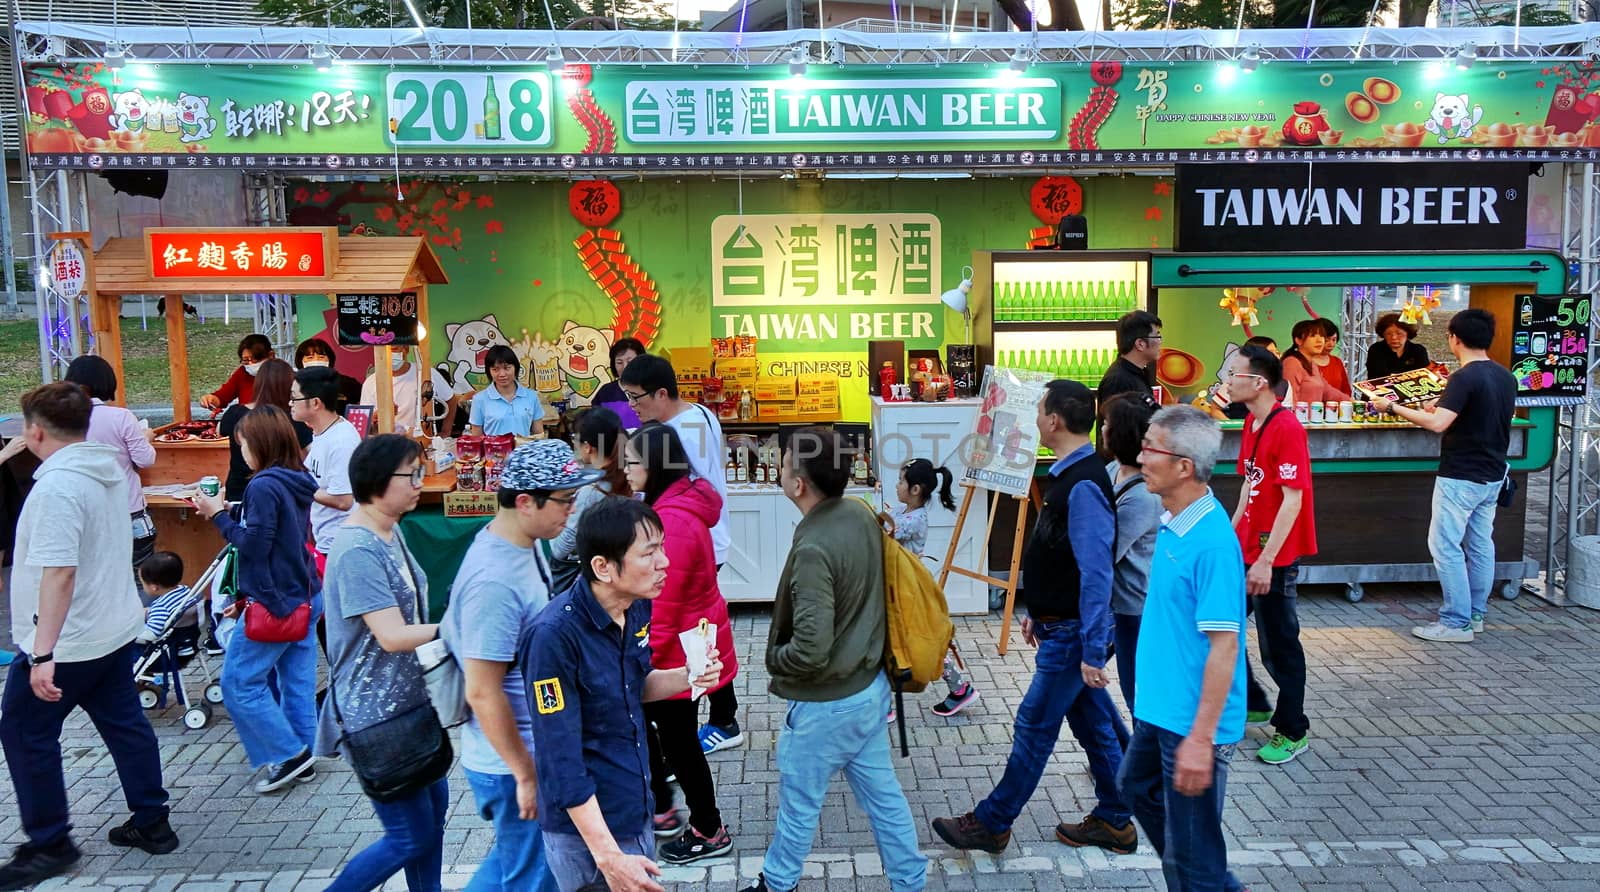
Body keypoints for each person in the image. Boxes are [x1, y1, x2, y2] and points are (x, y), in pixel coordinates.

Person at [933, 381, 1134, 858]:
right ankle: (1118, 816)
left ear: (1054, 421)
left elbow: (1095, 570)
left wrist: (1088, 647)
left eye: (1041, 410)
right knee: (1094, 725)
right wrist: (1034, 612)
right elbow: (1058, 554)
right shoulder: (1071, 473)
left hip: (1072, 634)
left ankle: (992, 822)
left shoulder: (1083, 482)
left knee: (1034, 726)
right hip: (1059, 625)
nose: (1036, 418)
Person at [0, 383, 178, 891]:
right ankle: (152, 820)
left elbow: (60, 572)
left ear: (34, 431)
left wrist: (43, 653)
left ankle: (49, 842)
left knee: (25, 733)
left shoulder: (57, 487)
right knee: (125, 725)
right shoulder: (105, 474)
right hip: (113, 626)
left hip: (68, 640)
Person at [739, 429, 926, 892]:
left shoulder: (813, 548)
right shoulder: (859, 514)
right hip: (868, 689)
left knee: (800, 804)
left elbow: (810, 648)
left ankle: (778, 884)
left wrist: (774, 660)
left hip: (828, 702)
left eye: (783, 463)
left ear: (797, 483)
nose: (779, 468)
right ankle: (910, 879)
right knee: (884, 798)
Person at [527, 497, 725, 892]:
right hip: (589, 836)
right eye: (649, 553)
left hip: (636, 810)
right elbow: (560, 759)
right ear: (603, 567)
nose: (664, 562)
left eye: (662, 548)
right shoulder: (553, 638)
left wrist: (687, 676)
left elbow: (633, 684)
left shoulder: (635, 607)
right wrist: (608, 856)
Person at [439, 439, 603, 892]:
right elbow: (481, 690)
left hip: (526, 752)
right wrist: (525, 773)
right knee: (532, 879)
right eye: (565, 501)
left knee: (510, 868)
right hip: (510, 761)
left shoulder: (526, 545)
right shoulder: (495, 581)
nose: (572, 510)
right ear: (526, 501)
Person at [1124, 406, 1248, 891]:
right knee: (1136, 789)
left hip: (1191, 723)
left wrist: (1201, 739)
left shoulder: (1211, 543)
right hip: (1161, 710)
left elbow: (1225, 647)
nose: (1140, 456)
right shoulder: (1176, 522)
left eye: (1150, 447)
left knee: (1191, 862)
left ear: (1183, 466)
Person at [319, 434, 448, 892]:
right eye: (410, 475)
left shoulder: (388, 533)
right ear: (377, 481)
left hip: (410, 705)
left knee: (431, 822)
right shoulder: (357, 548)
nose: (419, 483)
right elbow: (392, 635)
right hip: (375, 716)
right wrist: (458, 631)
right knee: (408, 836)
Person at [192, 405, 322, 795]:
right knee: (296, 682)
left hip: (278, 601)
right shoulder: (296, 477)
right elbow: (278, 534)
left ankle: (289, 754)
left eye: (243, 444)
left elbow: (255, 544)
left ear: (259, 444)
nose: (242, 452)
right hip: (304, 592)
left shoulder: (263, 485)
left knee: (239, 683)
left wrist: (219, 516)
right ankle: (305, 756)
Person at [623, 423, 738, 863]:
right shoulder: (677, 505)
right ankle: (667, 807)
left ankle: (706, 827)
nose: (627, 470)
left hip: (674, 652)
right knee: (672, 738)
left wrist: (645, 660)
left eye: (633, 462)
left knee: (678, 741)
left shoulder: (672, 521)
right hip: (684, 645)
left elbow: (665, 605)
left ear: (653, 465)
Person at [617, 355, 740, 754]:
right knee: (703, 620)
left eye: (636, 399)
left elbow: (660, 485)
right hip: (704, 532)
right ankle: (723, 714)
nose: (633, 407)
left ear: (663, 394)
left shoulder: (676, 434)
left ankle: (722, 717)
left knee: (693, 626)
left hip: (689, 536)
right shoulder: (699, 413)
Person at [1372, 308, 1516, 642]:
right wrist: (1431, 406)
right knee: (1480, 545)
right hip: (1493, 474)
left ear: (1455, 338)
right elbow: (1475, 414)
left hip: (1461, 474)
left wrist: (1390, 406)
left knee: (1446, 547)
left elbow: (1438, 424)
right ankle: (1475, 614)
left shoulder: (1464, 377)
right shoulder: (1504, 376)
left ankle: (1455, 622)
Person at [1225, 345, 1316, 766]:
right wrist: (1230, 534)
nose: (1228, 380)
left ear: (1257, 381)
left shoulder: (1287, 428)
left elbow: (1292, 501)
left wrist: (1265, 559)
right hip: (1246, 548)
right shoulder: (1251, 423)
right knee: (1223, 624)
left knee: (1278, 644)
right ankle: (1254, 701)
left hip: (1273, 556)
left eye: (1234, 373)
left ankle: (1293, 729)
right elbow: (1249, 484)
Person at [879, 458, 980, 717]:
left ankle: (884, 705)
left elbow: (881, 531)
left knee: (911, 641)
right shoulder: (904, 512)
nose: (897, 485)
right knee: (895, 641)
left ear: (915, 489)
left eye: (901, 481)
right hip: (898, 587)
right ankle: (958, 689)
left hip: (908, 590)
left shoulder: (914, 519)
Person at [63, 355, 158, 574]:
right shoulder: (120, 417)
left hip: (84, 512)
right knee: (140, 579)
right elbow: (145, 459)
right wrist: (146, 437)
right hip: (128, 510)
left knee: (98, 578)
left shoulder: (63, 420)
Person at [1099, 393, 1162, 713]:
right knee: (1081, 678)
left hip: (1133, 608)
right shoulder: (1114, 468)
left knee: (1137, 693)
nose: (1103, 428)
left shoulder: (1143, 495)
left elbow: (1106, 551)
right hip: (1115, 603)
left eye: (1107, 423)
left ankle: (1146, 760)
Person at [548, 407, 630, 593]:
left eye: (574, 439)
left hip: (593, 579)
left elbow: (562, 548)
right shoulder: (629, 473)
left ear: (587, 446)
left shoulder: (592, 491)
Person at [291, 366, 363, 577]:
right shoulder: (321, 432)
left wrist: (298, 486)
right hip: (327, 540)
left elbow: (343, 500)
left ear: (315, 403)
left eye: (294, 398)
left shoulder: (341, 441)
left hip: (341, 546)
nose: (290, 404)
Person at [219, 359, 313, 501]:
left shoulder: (235, 413)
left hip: (237, 492)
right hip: (278, 492)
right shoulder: (292, 418)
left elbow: (219, 429)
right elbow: (312, 451)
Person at [361, 348, 458, 437]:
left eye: (396, 350)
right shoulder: (371, 382)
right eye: (388, 351)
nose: (392, 354)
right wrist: (381, 414)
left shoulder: (426, 373)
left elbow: (451, 399)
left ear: (406, 349)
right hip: (388, 443)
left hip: (421, 440)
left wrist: (446, 431)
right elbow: (365, 422)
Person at [468, 345, 547, 438]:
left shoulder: (531, 396)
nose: (502, 374)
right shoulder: (479, 399)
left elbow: (538, 435)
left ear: (516, 368)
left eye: (507, 368)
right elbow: (476, 438)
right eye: (495, 369)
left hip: (523, 451)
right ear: (489, 371)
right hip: (493, 452)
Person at [1098, 310, 1163, 406]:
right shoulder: (1118, 381)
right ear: (1140, 344)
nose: (1160, 341)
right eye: (1157, 336)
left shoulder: (1138, 373)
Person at [139, 552, 198, 655]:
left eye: (143, 583)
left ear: (154, 587)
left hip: (170, 655)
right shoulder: (186, 592)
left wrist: (130, 634)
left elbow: (150, 635)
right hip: (190, 645)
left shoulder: (161, 606)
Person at [1281, 319, 1352, 405]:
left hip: (1314, 417)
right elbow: (1289, 400)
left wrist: (1351, 401)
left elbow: (1327, 391)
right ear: (1298, 340)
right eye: (1313, 336)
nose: (1319, 340)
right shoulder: (1292, 363)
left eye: (1322, 336)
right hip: (1298, 418)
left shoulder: (1312, 364)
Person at [201, 333, 274, 411]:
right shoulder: (242, 373)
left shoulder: (282, 373)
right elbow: (222, 396)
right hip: (246, 420)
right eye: (245, 360)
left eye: (256, 359)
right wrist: (210, 399)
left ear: (270, 355)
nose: (251, 363)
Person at [294, 338, 364, 414]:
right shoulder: (294, 385)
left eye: (321, 357)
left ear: (330, 359)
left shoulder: (348, 384)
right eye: (310, 358)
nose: (316, 360)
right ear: (300, 361)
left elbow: (363, 407)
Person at [1365, 313, 1431, 380]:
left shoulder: (1418, 350)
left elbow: (1425, 374)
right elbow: (1375, 376)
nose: (1393, 337)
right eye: (1388, 334)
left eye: (1399, 333)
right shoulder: (1376, 349)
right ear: (1383, 335)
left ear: (1407, 333)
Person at [591, 337, 646, 409]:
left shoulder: (653, 390)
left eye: (630, 362)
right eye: (619, 362)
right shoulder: (605, 392)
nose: (625, 367)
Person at [1315, 319, 1352, 395]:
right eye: (1327, 340)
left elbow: (1346, 391)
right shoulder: (1303, 362)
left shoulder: (1337, 362)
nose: (1331, 344)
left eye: (1334, 340)